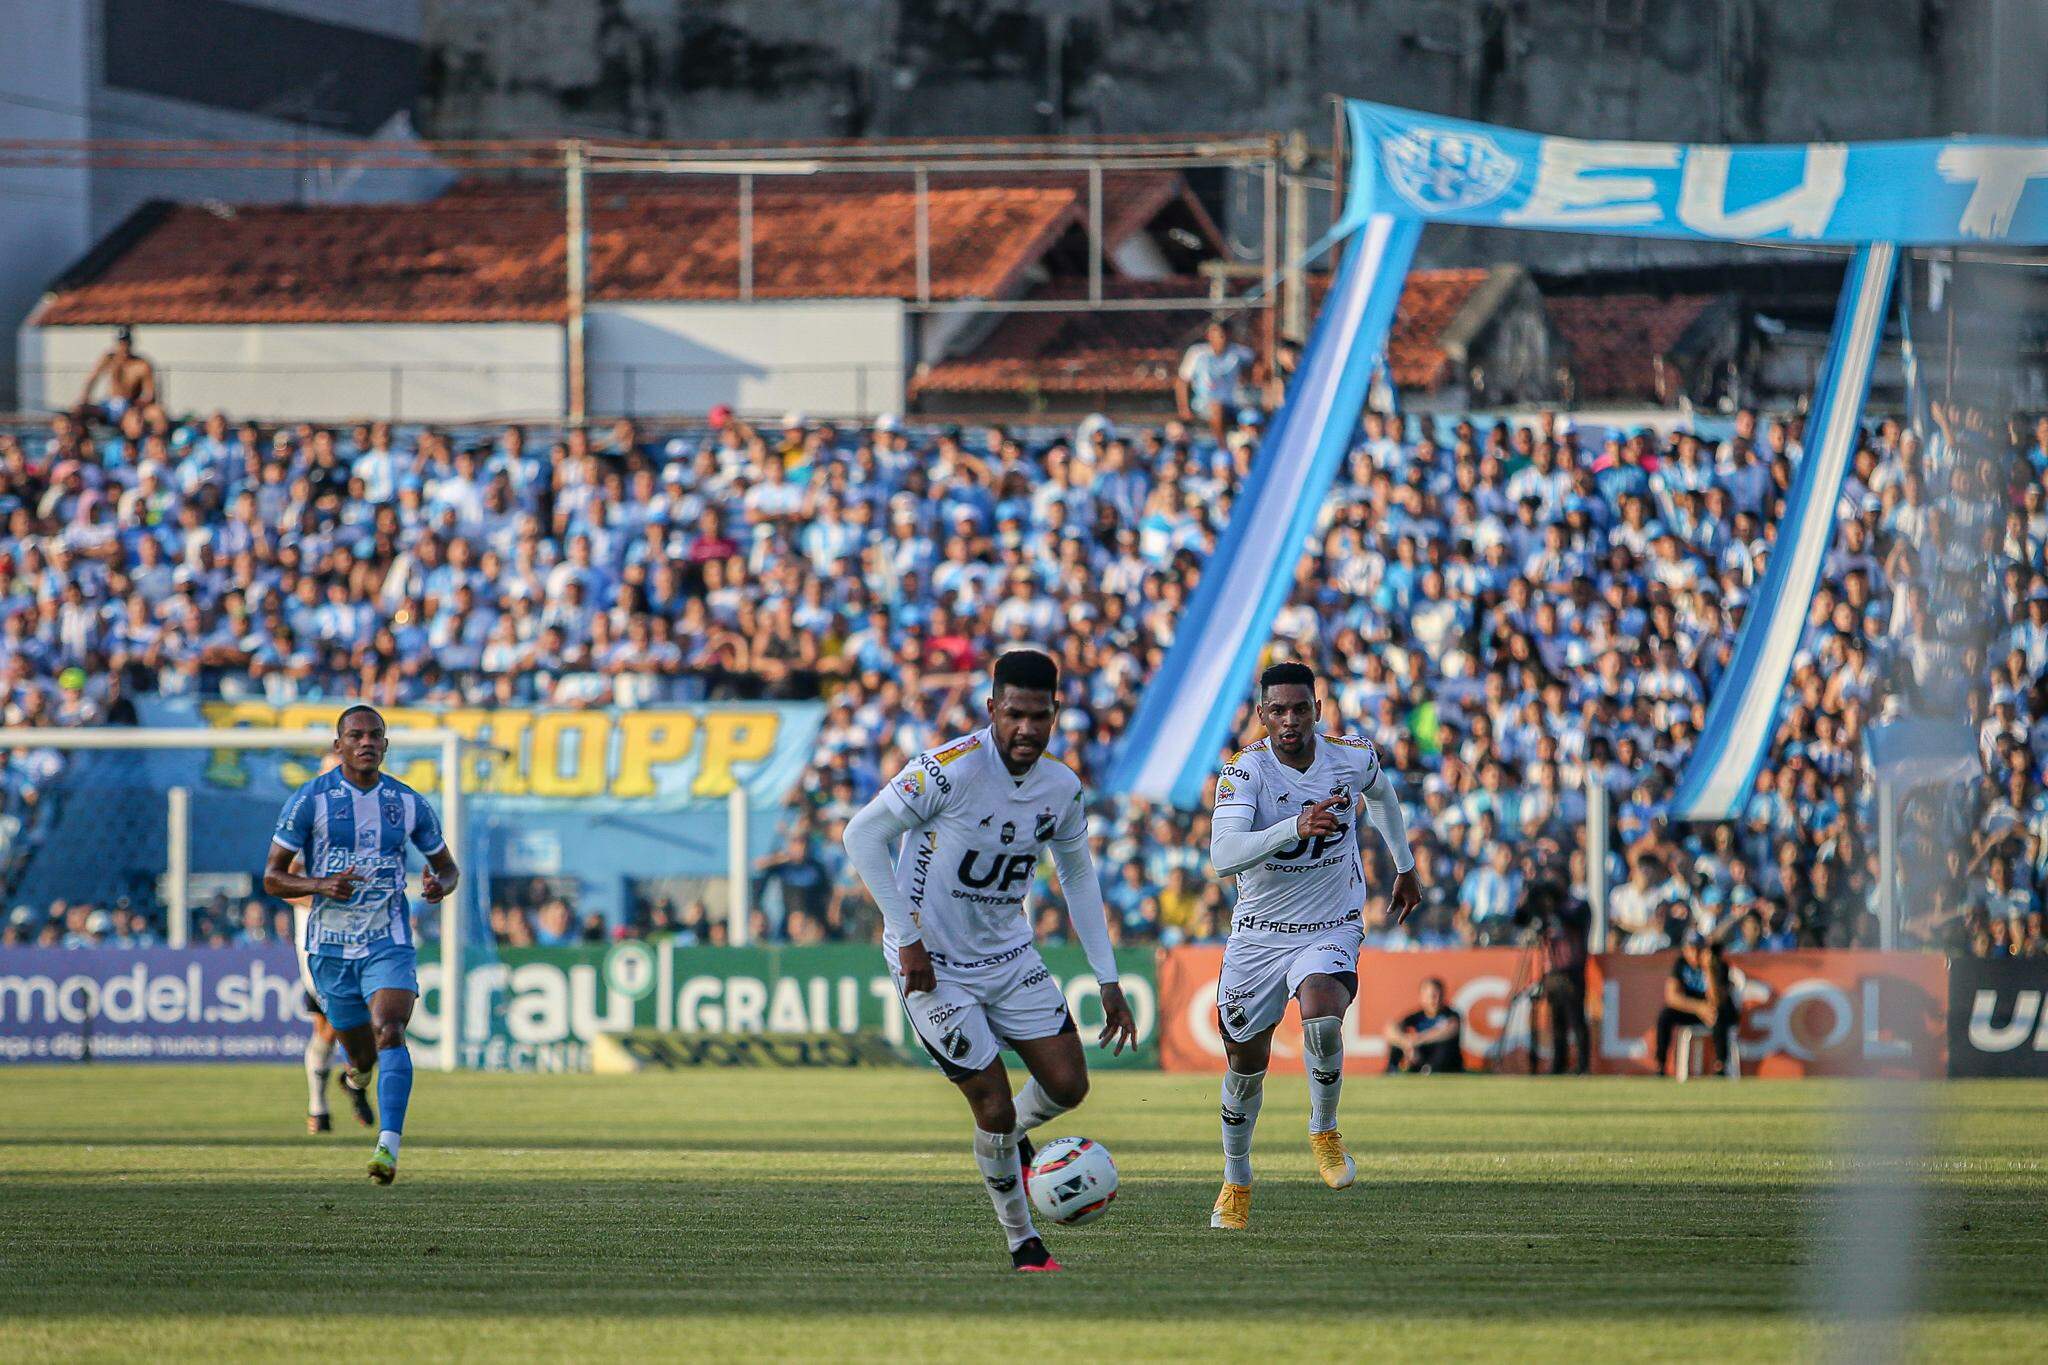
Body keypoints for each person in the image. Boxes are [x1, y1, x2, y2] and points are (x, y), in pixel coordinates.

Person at [840, 649, 1136, 1274]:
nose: (1026, 729)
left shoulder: (1061, 787)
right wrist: (906, 935)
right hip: (933, 963)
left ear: (1055, 713)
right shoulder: (947, 771)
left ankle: (1008, 1145)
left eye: (1040, 717)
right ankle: (1023, 1240)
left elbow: (1079, 880)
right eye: (1014, 715)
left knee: (1069, 1085)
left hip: (1008, 954)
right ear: (992, 709)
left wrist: (1108, 979)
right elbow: (861, 834)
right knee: (994, 1109)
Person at [1205, 661, 1419, 1231]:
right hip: (1259, 934)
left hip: (1331, 921)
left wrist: (1405, 864)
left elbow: (1384, 796)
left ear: (1317, 710)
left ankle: (1324, 1130)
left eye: (1301, 708)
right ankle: (1236, 1177)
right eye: (1278, 710)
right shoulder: (1244, 774)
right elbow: (1223, 856)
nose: (1290, 720)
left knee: (1323, 1016)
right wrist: (1293, 828)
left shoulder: (1349, 756)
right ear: (1262, 716)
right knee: (1245, 1067)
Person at [263, 705, 460, 1184]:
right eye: (356, 735)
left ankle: (387, 1148)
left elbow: (448, 867)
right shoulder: (309, 801)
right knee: (360, 1051)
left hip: (387, 940)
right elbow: (271, 878)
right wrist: (319, 885)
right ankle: (356, 1079)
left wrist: (440, 886)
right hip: (329, 949)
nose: (366, 742)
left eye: (375, 735)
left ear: (386, 746)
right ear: (339, 746)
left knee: (390, 1028)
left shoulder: (408, 802)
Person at [293, 753, 375, 1135]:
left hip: (367, 934)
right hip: (319, 939)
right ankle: (318, 1108)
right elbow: (280, 881)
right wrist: (321, 897)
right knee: (329, 1026)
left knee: (377, 1023)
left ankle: (354, 1081)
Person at [1654, 931, 1738, 1078]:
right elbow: (1672, 996)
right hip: (1695, 1010)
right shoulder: (1681, 964)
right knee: (1665, 1015)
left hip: (1718, 1011)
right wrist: (1699, 1008)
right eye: (1690, 949)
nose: (1694, 954)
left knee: (1717, 1014)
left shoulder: (1719, 965)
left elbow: (1716, 1000)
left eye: (1698, 949)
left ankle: (1721, 1066)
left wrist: (1709, 970)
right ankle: (1660, 1065)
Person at [1176, 320, 1258, 447]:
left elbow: (1258, 361)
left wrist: (1251, 376)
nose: (1219, 339)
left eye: (1222, 335)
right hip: (1204, 404)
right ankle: (1222, 448)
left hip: (1233, 403)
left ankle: (1254, 450)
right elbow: (1182, 382)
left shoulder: (1238, 352)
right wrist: (1184, 409)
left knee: (1253, 417)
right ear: (1208, 336)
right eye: (1214, 335)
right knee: (1217, 408)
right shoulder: (1197, 353)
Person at [75, 326, 158, 421]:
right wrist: (84, 397)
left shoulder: (141, 364)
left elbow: (150, 394)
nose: (124, 347)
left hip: (130, 405)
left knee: (157, 414)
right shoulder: (109, 359)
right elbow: (92, 379)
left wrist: (137, 407)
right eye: (121, 344)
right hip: (108, 404)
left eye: (126, 344)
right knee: (79, 410)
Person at [1383, 977, 1465, 1073]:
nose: (1436, 999)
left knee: (1445, 1046)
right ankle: (1393, 1071)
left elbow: (1450, 1030)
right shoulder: (1417, 1016)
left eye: (1439, 995)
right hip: (1420, 1056)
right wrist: (1406, 1043)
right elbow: (1390, 1029)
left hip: (1445, 1063)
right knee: (1397, 1043)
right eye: (1433, 996)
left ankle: (1432, 1070)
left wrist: (1417, 1040)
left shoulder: (1451, 1015)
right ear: (1423, 997)